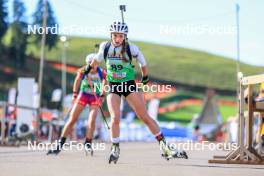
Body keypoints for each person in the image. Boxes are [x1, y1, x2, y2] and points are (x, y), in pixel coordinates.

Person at [85, 21, 188, 163]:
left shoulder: (131, 48)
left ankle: (165, 146)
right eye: (115, 35)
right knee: (115, 118)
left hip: (128, 85)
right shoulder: (105, 47)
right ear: (111, 35)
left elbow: (143, 63)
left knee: (144, 116)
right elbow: (96, 61)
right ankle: (115, 147)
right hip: (113, 86)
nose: (117, 39)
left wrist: (145, 79)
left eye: (120, 36)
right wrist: (87, 70)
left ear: (124, 36)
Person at [47, 53, 106, 155]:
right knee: (72, 119)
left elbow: (106, 81)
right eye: (89, 64)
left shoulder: (101, 72)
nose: (91, 66)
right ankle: (60, 144)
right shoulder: (84, 70)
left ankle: (88, 143)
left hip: (94, 96)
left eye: (93, 64)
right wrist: (74, 94)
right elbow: (77, 80)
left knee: (92, 121)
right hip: (83, 95)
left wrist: (102, 95)